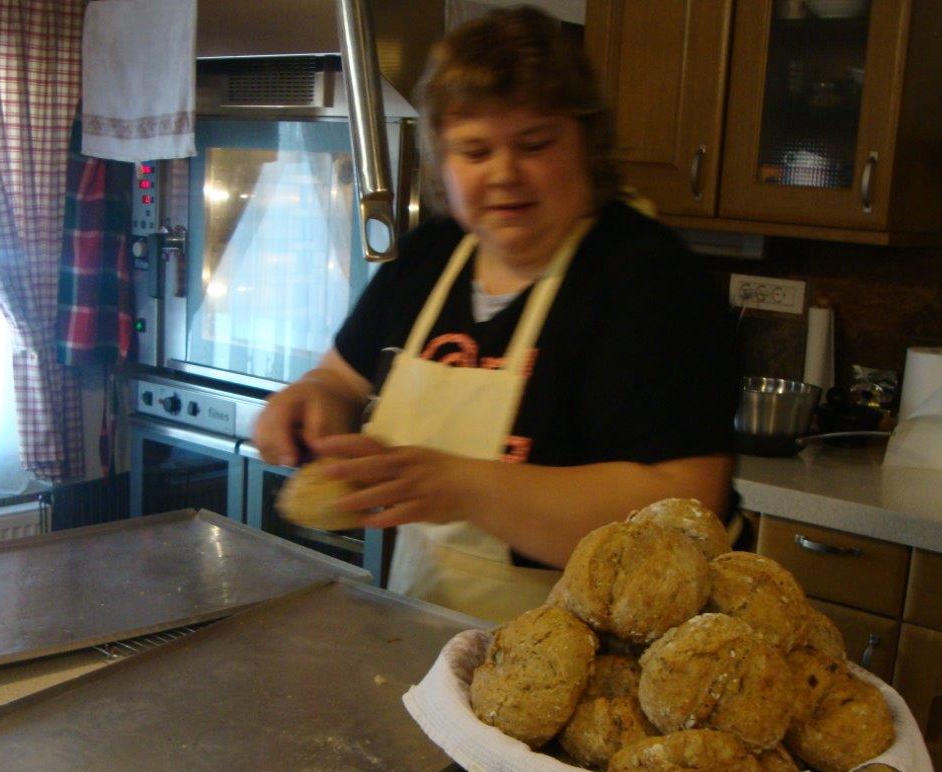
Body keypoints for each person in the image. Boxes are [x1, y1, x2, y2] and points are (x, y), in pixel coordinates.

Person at [253, 6, 738, 623]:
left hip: (610, 650)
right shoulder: (430, 257)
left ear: (586, 144)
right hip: (430, 631)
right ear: (443, 161)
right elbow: (340, 379)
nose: (504, 174)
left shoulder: (650, 279)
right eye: (475, 151)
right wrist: (313, 400)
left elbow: (686, 508)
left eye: (535, 144)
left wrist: (460, 485)